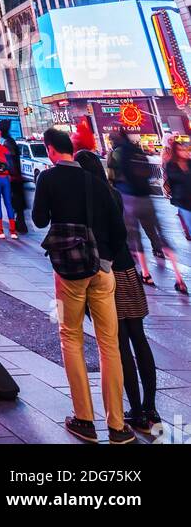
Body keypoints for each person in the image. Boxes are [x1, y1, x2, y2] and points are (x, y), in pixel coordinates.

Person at [32, 128, 134, 444]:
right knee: (109, 344)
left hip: (68, 275)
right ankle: (117, 426)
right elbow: (120, 231)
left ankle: (84, 420)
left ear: (50, 150)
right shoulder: (96, 182)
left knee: (70, 337)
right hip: (103, 273)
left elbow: (38, 220)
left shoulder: (48, 179)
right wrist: (104, 260)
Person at [76, 150, 161, 438]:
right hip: (128, 270)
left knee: (120, 343)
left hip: (108, 271)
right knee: (140, 339)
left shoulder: (87, 196)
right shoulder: (111, 192)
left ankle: (136, 409)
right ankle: (150, 409)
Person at [113, 128, 186, 292]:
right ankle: (178, 277)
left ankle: (146, 274)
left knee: (135, 237)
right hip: (147, 197)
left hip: (130, 199)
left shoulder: (121, 153)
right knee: (160, 234)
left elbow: (120, 175)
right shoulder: (138, 151)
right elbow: (147, 174)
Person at [0, 118, 28, 234]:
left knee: (15, 203)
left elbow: (10, 161)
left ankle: (19, 225)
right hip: (15, 178)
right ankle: (19, 224)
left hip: (13, 178)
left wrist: (9, 174)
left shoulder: (8, 143)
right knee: (17, 204)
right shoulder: (10, 141)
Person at [164, 133, 191, 245]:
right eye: (180, 150)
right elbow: (172, 181)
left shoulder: (190, 163)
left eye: (184, 149)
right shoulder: (171, 165)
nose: (184, 151)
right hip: (183, 201)